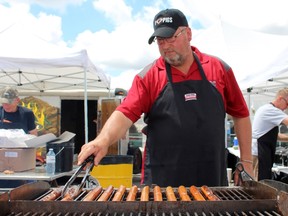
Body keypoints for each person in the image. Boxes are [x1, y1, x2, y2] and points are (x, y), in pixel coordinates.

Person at [78, 8, 253, 187]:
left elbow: (240, 113)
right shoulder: (148, 76)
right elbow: (125, 113)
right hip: (162, 179)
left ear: (188, 33)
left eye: (171, 38)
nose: (166, 46)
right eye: (160, 40)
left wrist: (246, 160)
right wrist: (102, 140)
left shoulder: (218, 68)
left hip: (211, 175)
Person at [0, 86, 38, 188]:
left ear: (17, 100)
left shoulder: (27, 113)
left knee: (26, 189)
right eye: (3, 102)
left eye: (8, 102)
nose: (5, 105)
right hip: (1, 161)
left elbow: (33, 135)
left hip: (21, 160)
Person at [252, 88, 288, 181]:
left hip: (259, 151)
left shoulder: (266, 109)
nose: (286, 107)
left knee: (258, 181)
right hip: (259, 152)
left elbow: (274, 136)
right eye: (287, 104)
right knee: (259, 182)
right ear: (280, 99)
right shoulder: (270, 110)